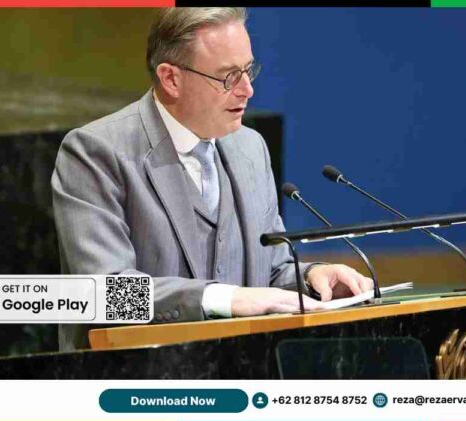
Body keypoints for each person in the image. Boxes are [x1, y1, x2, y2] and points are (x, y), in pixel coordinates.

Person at [51, 7, 373, 351]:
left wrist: (311, 278)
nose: (247, 90)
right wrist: (224, 299)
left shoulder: (250, 148)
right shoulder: (96, 152)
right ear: (171, 78)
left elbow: (271, 270)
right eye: (228, 77)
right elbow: (106, 295)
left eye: (249, 70)